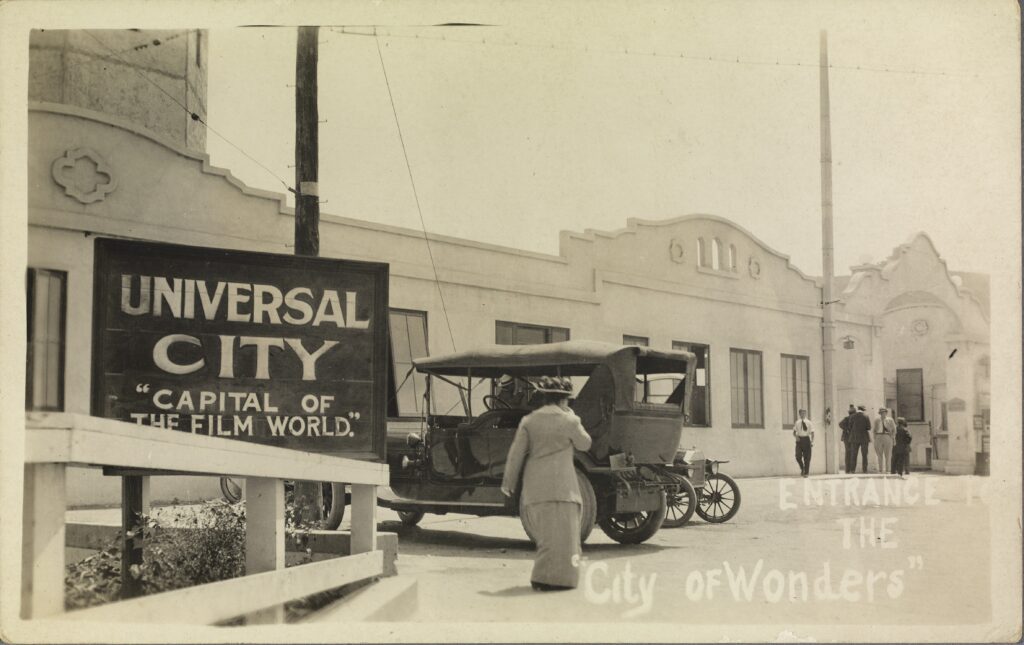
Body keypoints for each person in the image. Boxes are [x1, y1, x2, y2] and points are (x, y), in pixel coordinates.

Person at [501, 376, 592, 591]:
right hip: (563, 487)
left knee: (545, 537)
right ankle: (562, 581)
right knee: (567, 537)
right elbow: (585, 444)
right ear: (563, 401)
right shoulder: (570, 421)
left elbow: (516, 455)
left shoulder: (529, 421)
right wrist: (574, 418)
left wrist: (509, 483)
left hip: (535, 487)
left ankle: (541, 577)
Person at [849, 405, 873, 473]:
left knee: (854, 454)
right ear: (863, 410)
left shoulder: (852, 416)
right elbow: (869, 427)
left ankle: (852, 470)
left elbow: (850, 426)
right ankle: (864, 470)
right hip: (864, 438)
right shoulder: (866, 416)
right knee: (864, 455)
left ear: (858, 409)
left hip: (854, 437)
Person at [873, 407, 896, 474]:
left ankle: (888, 470)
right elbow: (874, 429)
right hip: (879, 436)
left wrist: (892, 437)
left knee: (888, 454)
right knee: (879, 454)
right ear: (880, 413)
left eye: (884, 412)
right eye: (881, 412)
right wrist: (875, 437)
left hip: (887, 436)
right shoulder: (877, 420)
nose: (883, 414)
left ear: (886, 412)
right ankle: (880, 470)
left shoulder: (890, 420)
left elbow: (894, 429)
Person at [792, 408, 815, 477]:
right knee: (798, 456)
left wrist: (812, 441)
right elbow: (794, 432)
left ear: (806, 414)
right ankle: (803, 468)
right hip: (799, 440)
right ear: (799, 414)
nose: (803, 414)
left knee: (807, 457)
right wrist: (796, 437)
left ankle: (806, 473)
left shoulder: (809, 422)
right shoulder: (797, 422)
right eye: (801, 413)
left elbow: (812, 432)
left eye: (804, 413)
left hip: (806, 439)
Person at [838, 404, 857, 474]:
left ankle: (849, 470)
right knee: (850, 453)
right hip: (848, 438)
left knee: (849, 453)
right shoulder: (847, 418)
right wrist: (847, 429)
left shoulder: (849, 418)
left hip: (850, 438)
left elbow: (840, 424)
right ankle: (849, 470)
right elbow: (840, 424)